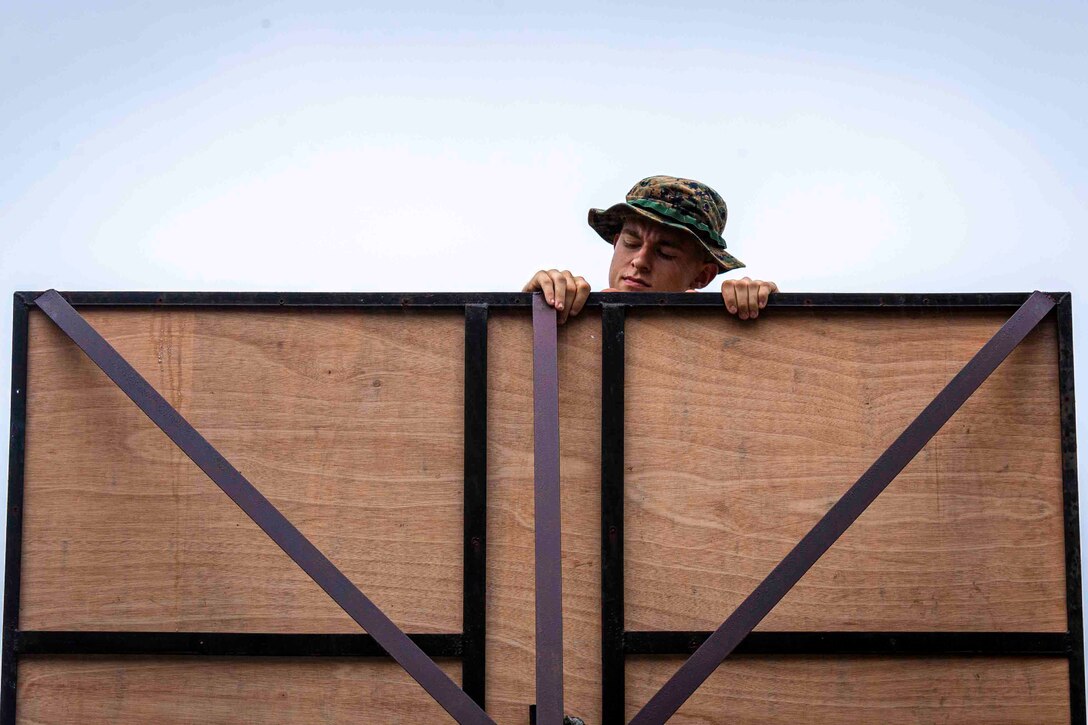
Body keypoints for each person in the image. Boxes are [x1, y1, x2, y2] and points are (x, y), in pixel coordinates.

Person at [523, 175, 778, 323]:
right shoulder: (571, 315)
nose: (640, 261)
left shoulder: (718, 337)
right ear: (615, 243)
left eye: (665, 253)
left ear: (702, 276)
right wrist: (530, 308)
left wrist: (771, 311)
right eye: (631, 243)